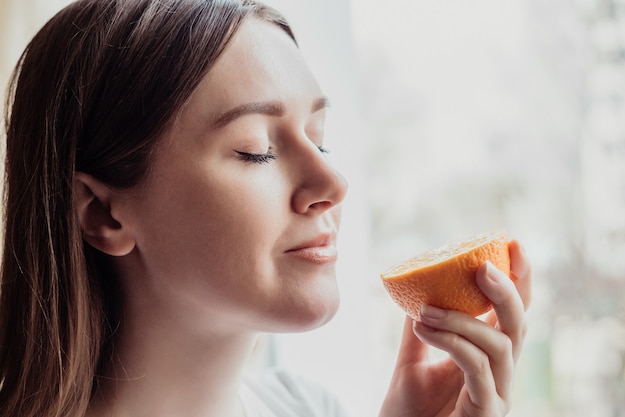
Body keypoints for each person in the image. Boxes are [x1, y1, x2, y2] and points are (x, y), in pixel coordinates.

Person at [0, 0, 532, 416]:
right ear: (102, 214)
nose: (332, 182)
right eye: (257, 148)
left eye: (319, 140)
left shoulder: (309, 409)